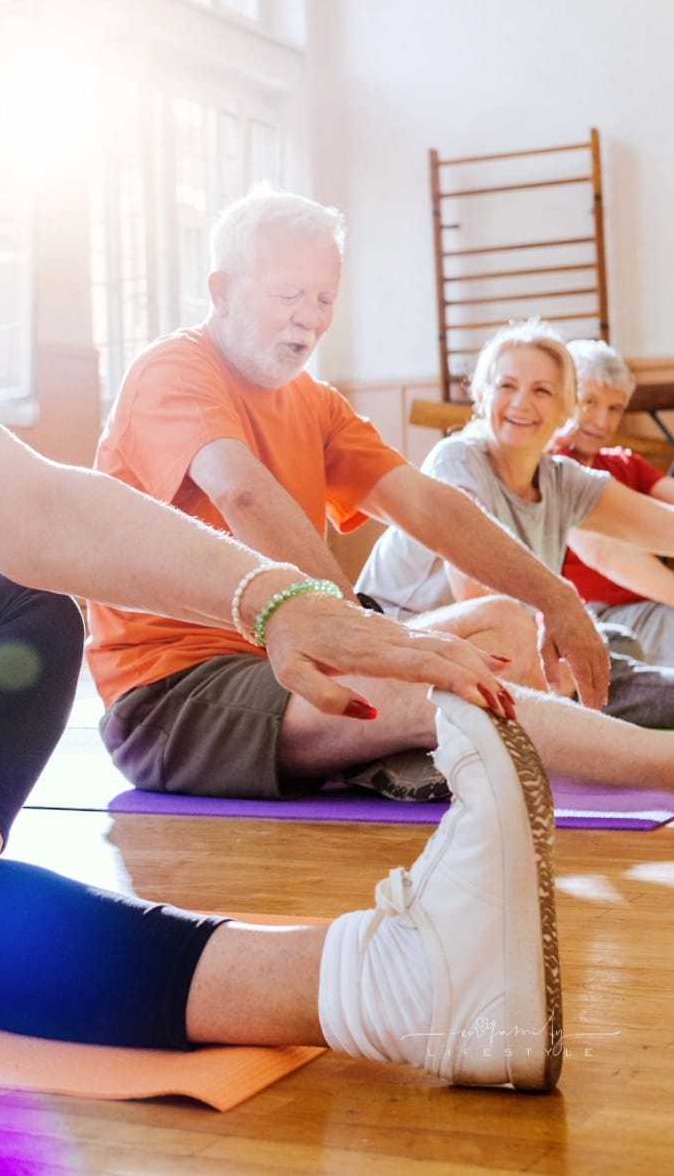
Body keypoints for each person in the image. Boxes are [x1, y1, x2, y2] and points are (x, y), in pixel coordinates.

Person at [0, 44, 563, 1091]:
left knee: (23, 610)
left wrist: (281, 600)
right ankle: (383, 985)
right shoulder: (175, 373)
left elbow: (40, 507)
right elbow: (238, 490)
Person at [88, 187, 674, 805]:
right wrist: (362, 638)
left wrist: (554, 596)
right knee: (437, 691)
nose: (309, 317)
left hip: (296, 663)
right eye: (288, 294)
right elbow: (243, 493)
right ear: (223, 291)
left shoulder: (313, 402)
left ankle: (395, 752)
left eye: (324, 299)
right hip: (176, 694)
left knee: (506, 623)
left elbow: (426, 504)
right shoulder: (174, 369)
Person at [358, 319, 674, 731]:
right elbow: (483, 605)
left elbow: (663, 526)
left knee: (617, 656)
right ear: (482, 395)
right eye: (507, 386)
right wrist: (553, 656)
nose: (521, 402)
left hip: (506, 660)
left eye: (541, 390)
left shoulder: (562, 480)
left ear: (566, 408)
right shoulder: (456, 460)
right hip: (411, 657)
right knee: (538, 649)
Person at [553, 338, 674, 666]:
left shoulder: (624, 462)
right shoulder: (553, 466)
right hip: (594, 616)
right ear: (565, 398)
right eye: (589, 402)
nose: (602, 421)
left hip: (649, 607)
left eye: (614, 408)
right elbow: (606, 554)